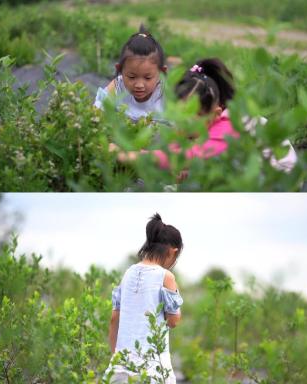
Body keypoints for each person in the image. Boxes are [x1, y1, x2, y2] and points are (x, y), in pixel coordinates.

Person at [112, 58, 297, 173]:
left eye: (194, 115)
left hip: (275, 179)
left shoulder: (230, 125)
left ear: (216, 113)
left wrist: (128, 155)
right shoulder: (198, 125)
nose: (184, 122)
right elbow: (173, 151)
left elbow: (184, 157)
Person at [106, 213, 183, 383]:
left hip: (120, 368)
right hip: (153, 370)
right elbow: (173, 321)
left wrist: (117, 358)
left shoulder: (127, 273)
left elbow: (114, 319)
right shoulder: (166, 276)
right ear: (173, 251)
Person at [94, 25, 167, 122]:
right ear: (120, 69)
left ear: (162, 72)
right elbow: (98, 111)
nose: (139, 85)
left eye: (148, 78)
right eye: (132, 77)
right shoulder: (118, 87)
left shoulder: (166, 95)